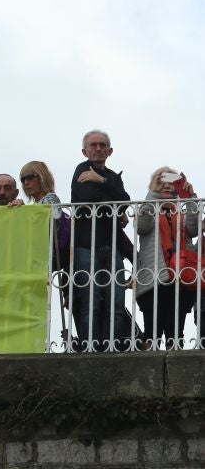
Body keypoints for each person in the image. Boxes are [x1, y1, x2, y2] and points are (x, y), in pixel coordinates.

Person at [70, 129, 132, 352]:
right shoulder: (80, 170)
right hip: (86, 246)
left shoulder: (112, 176)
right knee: (91, 301)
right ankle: (91, 348)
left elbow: (124, 201)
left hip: (111, 245)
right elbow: (89, 198)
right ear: (85, 150)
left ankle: (112, 347)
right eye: (93, 145)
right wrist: (113, 199)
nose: (98, 148)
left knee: (115, 301)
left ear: (110, 150)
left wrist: (101, 180)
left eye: (102, 145)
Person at [135, 167, 200, 349]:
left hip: (181, 276)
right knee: (152, 332)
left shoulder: (182, 210)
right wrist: (152, 194)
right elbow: (141, 226)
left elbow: (194, 230)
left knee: (175, 333)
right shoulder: (147, 207)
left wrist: (190, 198)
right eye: (160, 180)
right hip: (153, 277)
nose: (165, 184)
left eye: (171, 181)